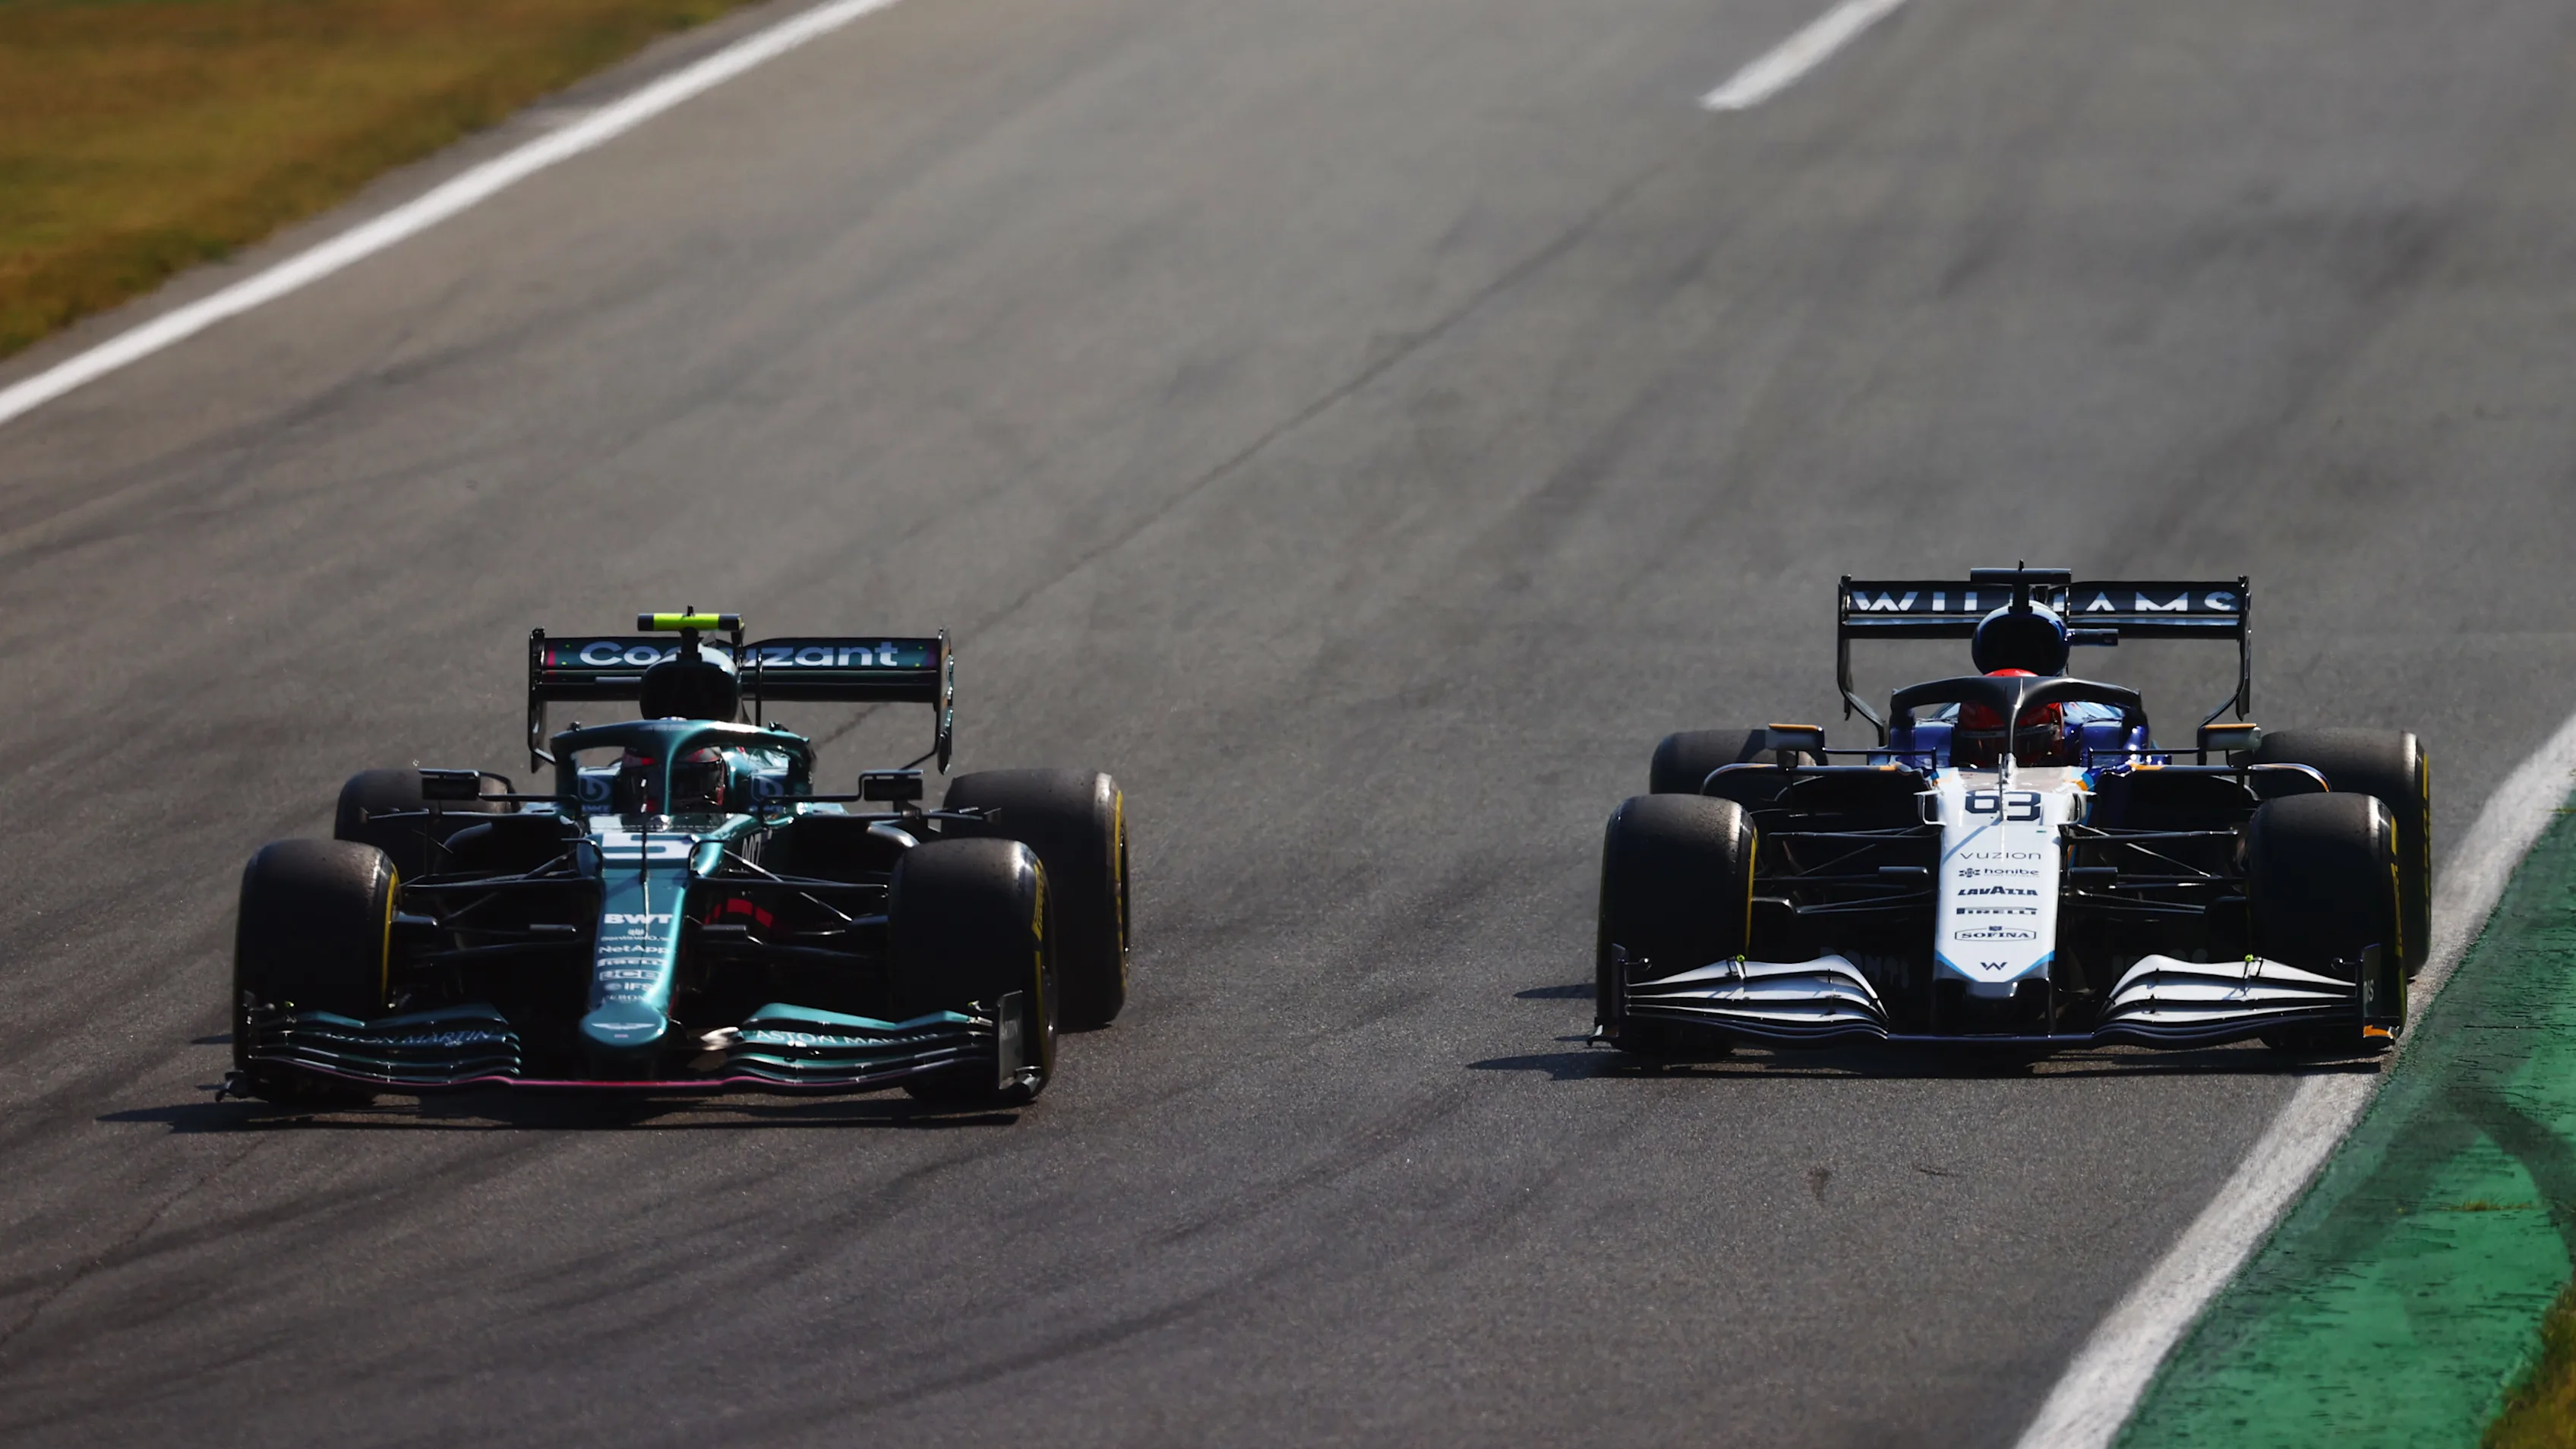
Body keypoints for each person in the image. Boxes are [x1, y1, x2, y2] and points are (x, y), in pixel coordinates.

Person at [1946, 601, 2120, 768]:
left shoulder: (2092, 729)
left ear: (2057, 729)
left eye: (2027, 742)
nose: (2008, 760)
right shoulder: (1959, 718)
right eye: (1991, 744)